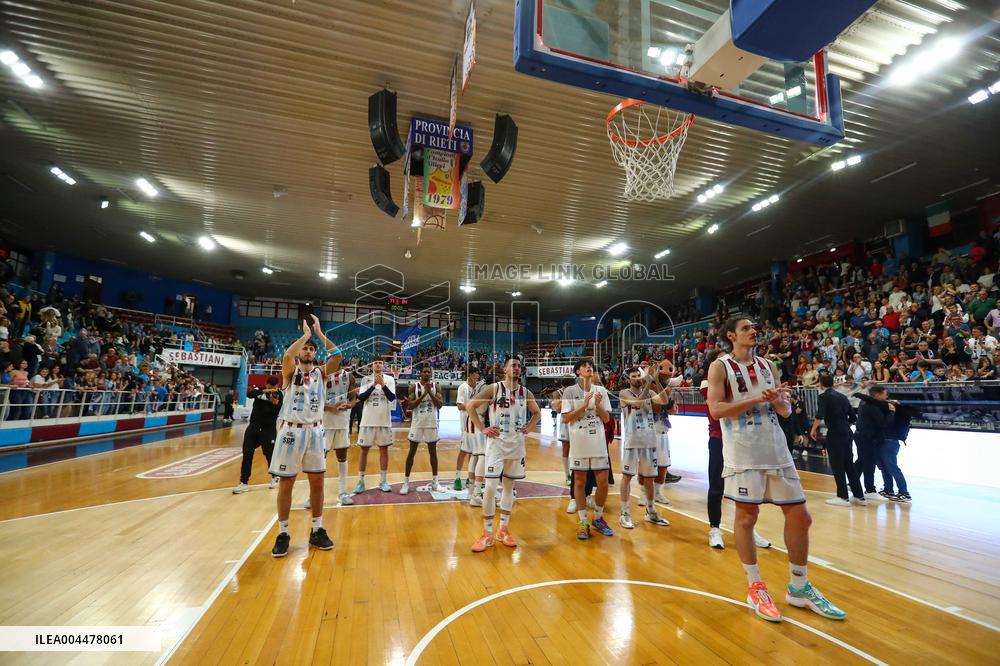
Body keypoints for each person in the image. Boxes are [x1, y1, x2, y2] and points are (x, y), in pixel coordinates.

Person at [707, 316, 845, 623]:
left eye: (755, 327)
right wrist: (755, 399)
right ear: (731, 335)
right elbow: (715, 410)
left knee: (801, 516)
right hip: (743, 451)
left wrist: (778, 402)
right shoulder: (721, 367)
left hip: (776, 447)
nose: (753, 331)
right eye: (745, 328)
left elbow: (783, 410)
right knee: (746, 517)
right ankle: (755, 587)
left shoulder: (769, 366)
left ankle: (799, 587)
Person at [269, 315, 340, 557]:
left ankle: (317, 530)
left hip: (315, 432)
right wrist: (304, 336)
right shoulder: (290, 373)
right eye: (305, 349)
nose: (308, 351)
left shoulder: (321, 373)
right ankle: (283, 532)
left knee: (317, 482)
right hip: (290, 431)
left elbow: (338, 356)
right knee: (287, 482)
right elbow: (287, 356)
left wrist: (319, 334)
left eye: (311, 349)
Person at [465, 357, 541, 552]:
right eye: (512, 365)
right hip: (496, 446)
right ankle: (487, 532)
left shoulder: (526, 392)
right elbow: (470, 406)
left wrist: (529, 428)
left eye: (518, 366)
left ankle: (503, 529)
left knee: (509, 488)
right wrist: (482, 428)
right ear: (505, 369)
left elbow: (537, 412)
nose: (516, 368)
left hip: (516, 446)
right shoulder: (494, 388)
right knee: (490, 488)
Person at [561, 358, 614, 540]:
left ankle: (598, 518)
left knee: (603, 483)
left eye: (590, 365)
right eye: (584, 365)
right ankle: (583, 521)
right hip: (579, 443)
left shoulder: (601, 391)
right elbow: (566, 418)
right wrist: (584, 406)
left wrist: (597, 405)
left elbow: (607, 419)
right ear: (578, 372)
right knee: (580, 483)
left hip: (598, 442)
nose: (589, 367)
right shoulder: (569, 391)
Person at [617, 367, 671, 529]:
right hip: (632, 441)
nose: (637, 378)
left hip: (649, 440)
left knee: (649, 478)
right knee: (627, 476)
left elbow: (664, 401)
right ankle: (625, 512)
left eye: (638, 375)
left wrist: (656, 381)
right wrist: (648, 384)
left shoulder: (649, 391)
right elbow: (639, 403)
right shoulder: (624, 393)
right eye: (633, 376)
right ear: (628, 379)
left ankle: (651, 510)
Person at [810, 375, 865, 507]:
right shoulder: (842, 396)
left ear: (821, 384)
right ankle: (859, 496)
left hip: (835, 433)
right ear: (833, 382)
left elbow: (820, 414)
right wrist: (844, 426)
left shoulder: (823, 396)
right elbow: (853, 417)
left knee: (837, 465)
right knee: (849, 464)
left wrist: (813, 429)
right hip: (847, 431)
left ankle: (842, 496)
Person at [353, 357, 397, 493]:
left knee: (384, 450)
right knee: (364, 451)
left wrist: (382, 384)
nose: (378, 365)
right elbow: (361, 398)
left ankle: (383, 481)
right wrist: (373, 385)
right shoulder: (366, 380)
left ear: (383, 365)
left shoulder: (390, 380)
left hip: (383, 421)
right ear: (372, 365)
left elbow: (391, 397)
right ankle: (361, 481)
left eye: (380, 363)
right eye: (376, 363)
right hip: (367, 421)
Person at [233, 376, 282, 494]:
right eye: (268, 386)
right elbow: (249, 394)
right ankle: (243, 482)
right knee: (247, 453)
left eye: (273, 387)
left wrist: (275, 403)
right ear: (266, 384)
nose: (271, 389)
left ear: (276, 386)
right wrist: (264, 391)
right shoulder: (260, 391)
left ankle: (275, 477)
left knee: (269, 454)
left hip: (268, 429)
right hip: (253, 427)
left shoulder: (279, 394)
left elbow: (279, 409)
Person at [401, 365, 444, 494]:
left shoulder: (436, 386)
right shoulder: (414, 387)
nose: (426, 374)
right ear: (420, 373)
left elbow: (440, 405)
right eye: (424, 371)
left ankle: (435, 482)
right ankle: (406, 482)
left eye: (428, 372)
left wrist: (430, 392)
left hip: (431, 423)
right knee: (411, 452)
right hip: (417, 423)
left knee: (433, 453)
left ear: (431, 374)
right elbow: (411, 405)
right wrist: (424, 394)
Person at [322, 364, 357, 506]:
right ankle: (315, 495)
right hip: (324, 423)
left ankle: (342, 492)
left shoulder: (349, 376)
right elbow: (314, 401)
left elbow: (353, 398)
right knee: (320, 459)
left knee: (342, 458)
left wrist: (350, 405)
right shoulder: (321, 374)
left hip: (342, 422)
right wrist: (332, 407)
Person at [854, 385, 894, 501]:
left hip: (860, 435)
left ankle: (852, 483)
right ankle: (870, 490)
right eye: (885, 394)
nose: (887, 397)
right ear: (877, 395)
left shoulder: (864, 403)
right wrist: (891, 412)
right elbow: (883, 423)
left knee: (861, 461)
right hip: (867, 437)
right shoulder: (872, 406)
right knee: (869, 464)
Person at [454, 367, 480, 492]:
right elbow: (459, 405)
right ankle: (457, 478)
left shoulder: (477, 388)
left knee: (473, 453)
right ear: (470, 375)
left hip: (475, 425)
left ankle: (470, 478)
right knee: (463, 451)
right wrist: (473, 408)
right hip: (465, 425)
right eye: (476, 374)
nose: (478, 376)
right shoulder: (463, 387)